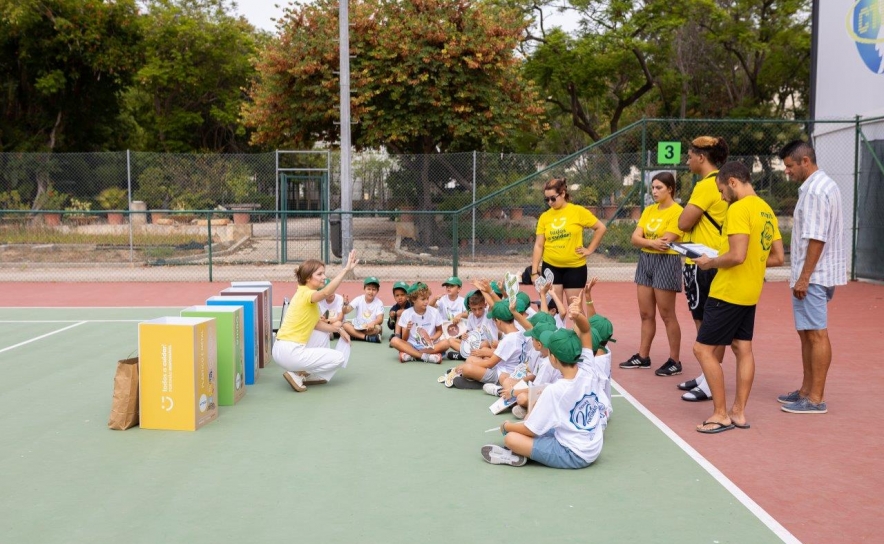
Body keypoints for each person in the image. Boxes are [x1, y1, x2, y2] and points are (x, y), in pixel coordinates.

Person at [692, 162, 784, 433]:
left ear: (732, 182)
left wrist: (710, 262)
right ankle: (738, 413)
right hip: (750, 291)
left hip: (728, 291)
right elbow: (777, 257)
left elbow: (737, 255)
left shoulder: (739, 209)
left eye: (721, 190)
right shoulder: (766, 210)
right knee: (743, 349)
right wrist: (752, 262)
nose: (721, 196)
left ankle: (720, 414)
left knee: (702, 349)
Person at [777, 140, 846, 414]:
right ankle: (806, 390)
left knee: (816, 334)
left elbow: (817, 238)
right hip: (816, 273)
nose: (787, 172)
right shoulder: (823, 185)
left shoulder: (816, 190)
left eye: (790, 166)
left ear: (805, 161)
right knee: (807, 333)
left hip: (814, 275)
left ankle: (816, 398)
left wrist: (804, 277)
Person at [481, 327, 609, 468]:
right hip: (594, 445)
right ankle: (527, 452)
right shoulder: (588, 369)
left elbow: (531, 430)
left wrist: (507, 426)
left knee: (511, 438)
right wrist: (578, 314)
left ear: (553, 358)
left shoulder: (554, 390)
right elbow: (585, 332)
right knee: (534, 427)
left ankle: (518, 453)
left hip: (574, 454)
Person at [676, 136, 730, 402]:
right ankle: (706, 375)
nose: (687, 160)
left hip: (702, 262)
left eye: (689, 155)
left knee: (705, 326)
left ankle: (711, 381)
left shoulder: (706, 185)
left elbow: (684, 221)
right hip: (714, 260)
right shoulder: (722, 181)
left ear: (701, 158)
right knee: (709, 323)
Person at [620, 172, 685, 376]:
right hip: (646, 261)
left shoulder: (678, 212)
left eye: (659, 188)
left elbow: (666, 243)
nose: (654, 191)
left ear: (670, 189)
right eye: (653, 188)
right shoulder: (649, 210)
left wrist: (649, 241)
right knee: (646, 314)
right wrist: (650, 242)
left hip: (667, 262)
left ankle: (675, 361)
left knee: (667, 315)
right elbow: (635, 238)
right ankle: (643, 357)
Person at [272, 250, 358, 392]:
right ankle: (298, 374)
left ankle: (304, 374)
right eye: (319, 274)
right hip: (290, 353)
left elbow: (317, 324)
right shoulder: (307, 294)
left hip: (280, 350)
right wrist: (345, 270)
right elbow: (326, 292)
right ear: (307, 278)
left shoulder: (302, 293)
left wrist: (339, 329)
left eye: (324, 273)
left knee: (322, 334)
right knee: (339, 358)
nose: (324, 277)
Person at [531, 177, 607, 323]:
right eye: (546, 200)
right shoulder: (545, 217)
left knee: (575, 309)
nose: (550, 203)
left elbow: (600, 228)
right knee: (554, 309)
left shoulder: (577, 211)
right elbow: (539, 245)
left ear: (563, 193)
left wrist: (589, 249)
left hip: (575, 268)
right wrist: (534, 271)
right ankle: (557, 343)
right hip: (551, 267)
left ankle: (584, 342)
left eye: (553, 198)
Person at [391, 282, 449, 363]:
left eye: (427, 298)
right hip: (412, 345)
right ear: (413, 299)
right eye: (423, 299)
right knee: (394, 341)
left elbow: (439, 331)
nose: (426, 301)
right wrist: (407, 329)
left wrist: (433, 338)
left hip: (429, 346)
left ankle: (411, 355)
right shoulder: (406, 314)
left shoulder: (434, 312)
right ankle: (425, 357)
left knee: (446, 343)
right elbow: (404, 339)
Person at [342, 276, 385, 343]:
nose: (371, 292)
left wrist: (372, 323)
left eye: (374, 289)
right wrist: (345, 304)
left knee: (378, 329)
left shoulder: (379, 303)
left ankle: (354, 335)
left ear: (377, 291)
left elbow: (380, 319)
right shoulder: (359, 299)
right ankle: (367, 338)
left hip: (369, 327)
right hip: (358, 326)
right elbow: (345, 311)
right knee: (345, 325)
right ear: (364, 289)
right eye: (369, 289)